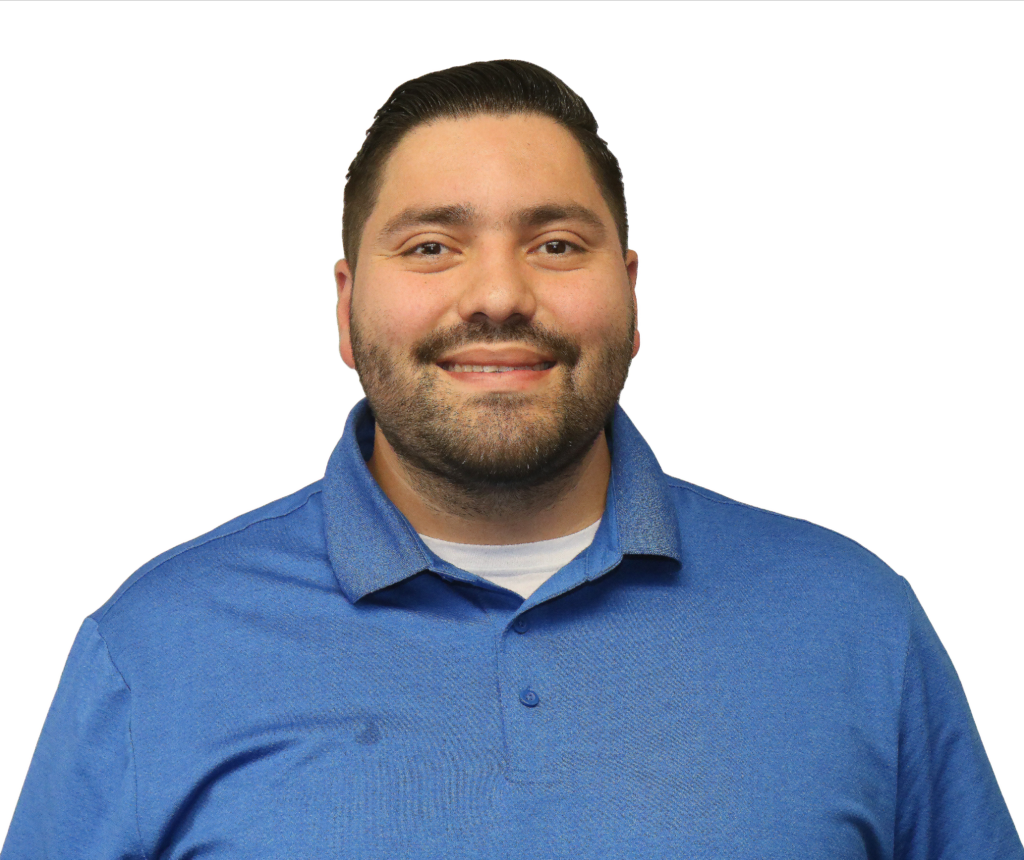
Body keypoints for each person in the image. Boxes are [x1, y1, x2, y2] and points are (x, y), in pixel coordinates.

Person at [1, 59, 1020, 860]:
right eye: (433, 246)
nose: (496, 294)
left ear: (629, 293)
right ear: (347, 308)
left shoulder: (853, 622)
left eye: (557, 245)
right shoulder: (151, 649)